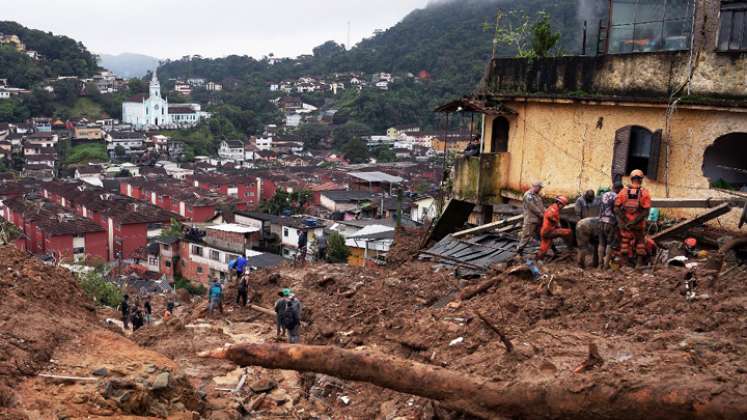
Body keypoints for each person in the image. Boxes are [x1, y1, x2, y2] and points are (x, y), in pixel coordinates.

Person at [614, 169, 652, 268]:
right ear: (641, 179)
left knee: (625, 242)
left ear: (631, 179)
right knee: (640, 242)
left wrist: (626, 221)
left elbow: (616, 208)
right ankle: (638, 265)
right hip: (639, 225)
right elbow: (646, 211)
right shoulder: (644, 193)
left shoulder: (623, 191)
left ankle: (625, 265)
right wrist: (635, 222)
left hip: (626, 225)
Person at [598, 182, 623, 269]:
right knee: (609, 243)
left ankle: (600, 264)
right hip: (611, 222)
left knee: (601, 243)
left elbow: (600, 207)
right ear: (619, 189)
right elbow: (616, 210)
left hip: (601, 221)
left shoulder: (603, 195)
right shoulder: (617, 197)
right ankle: (605, 266)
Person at [517, 181, 545, 256]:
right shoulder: (528, 195)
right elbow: (533, 207)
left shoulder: (537, 196)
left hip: (538, 220)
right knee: (526, 236)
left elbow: (541, 207)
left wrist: (546, 212)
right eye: (539, 188)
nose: (540, 189)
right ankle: (519, 251)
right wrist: (542, 214)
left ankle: (547, 250)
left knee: (544, 235)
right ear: (535, 186)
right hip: (531, 220)